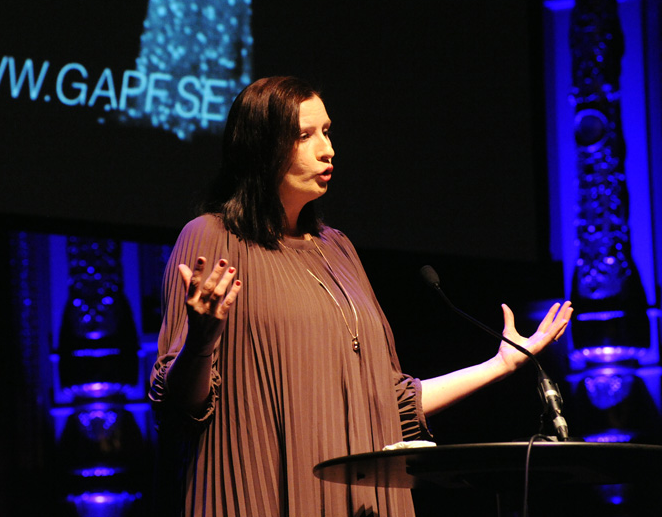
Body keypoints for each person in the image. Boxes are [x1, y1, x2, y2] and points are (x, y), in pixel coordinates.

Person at [149, 76, 573, 516]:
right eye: (304, 136)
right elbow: (179, 406)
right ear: (260, 148)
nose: (327, 150)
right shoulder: (211, 238)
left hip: (358, 495)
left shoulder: (338, 249)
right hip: (264, 490)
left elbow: (390, 402)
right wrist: (200, 341)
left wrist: (500, 365)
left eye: (326, 131)